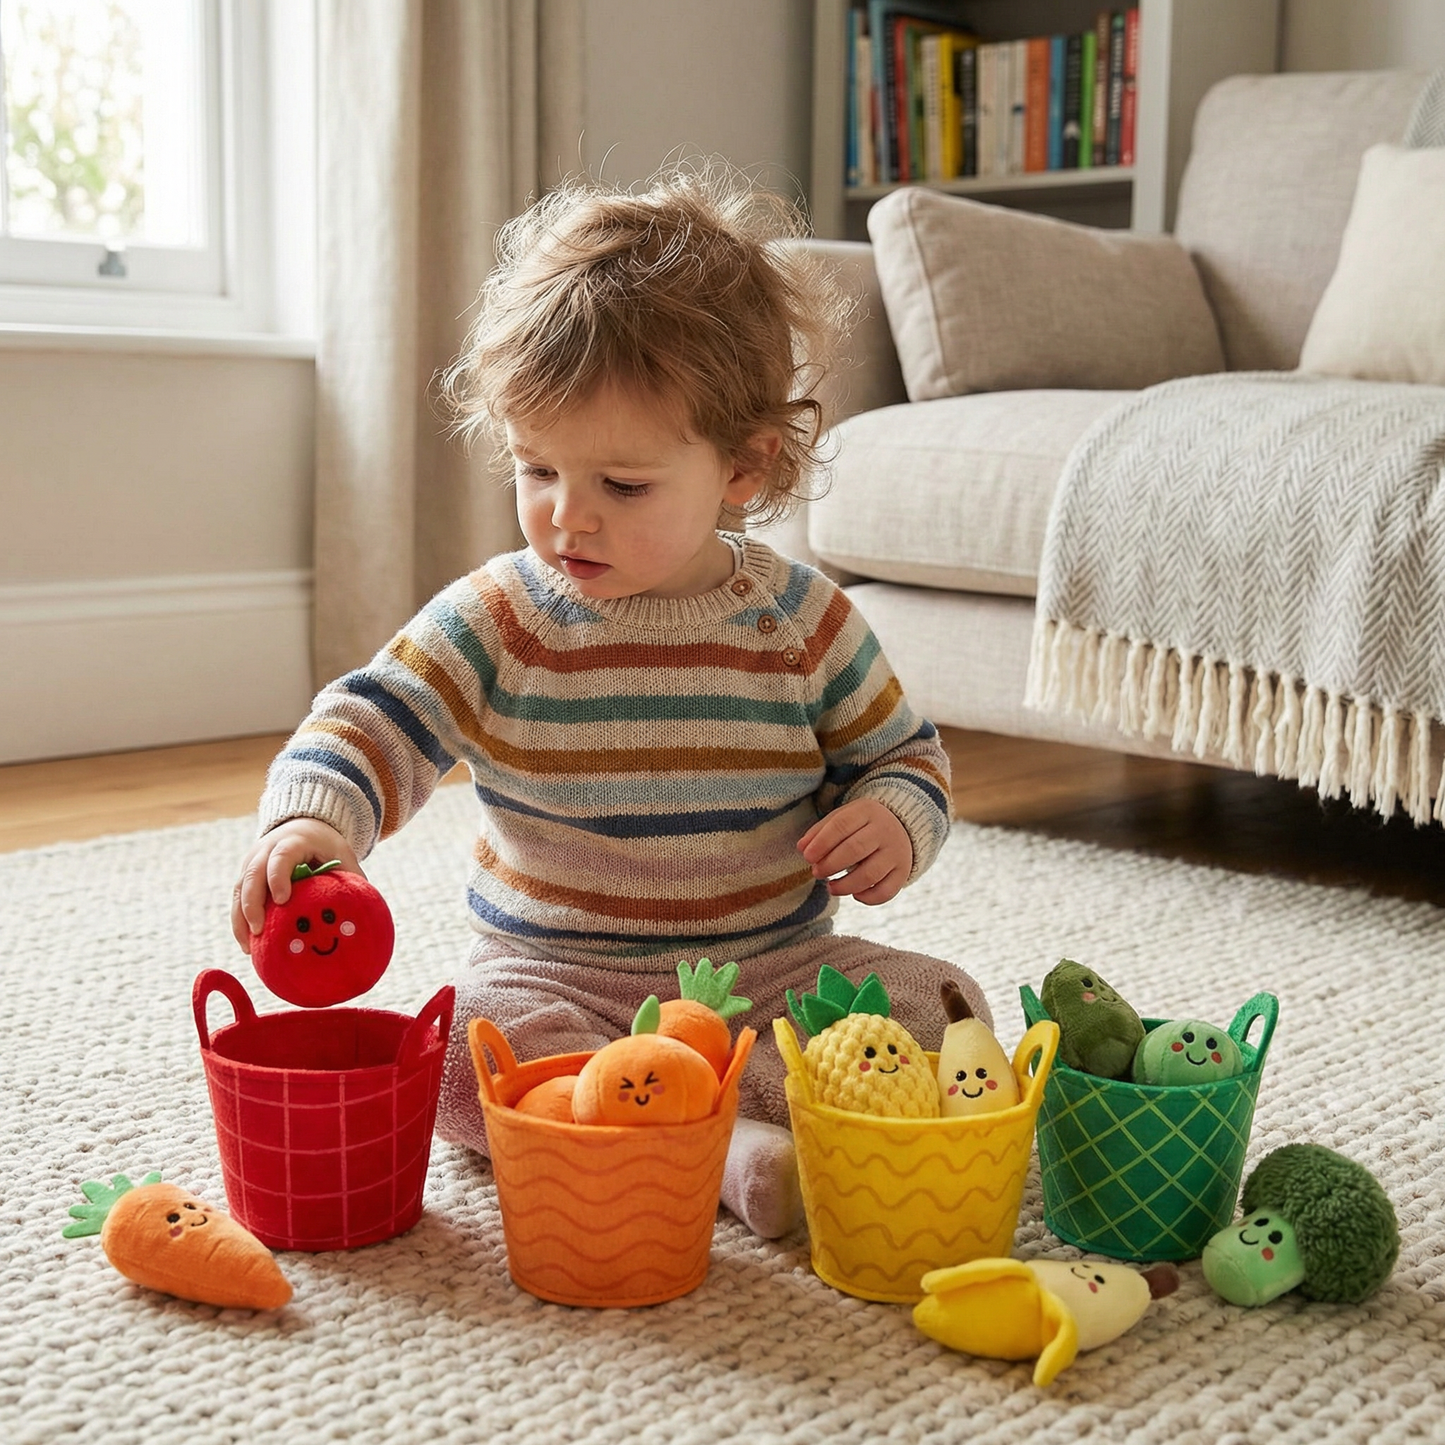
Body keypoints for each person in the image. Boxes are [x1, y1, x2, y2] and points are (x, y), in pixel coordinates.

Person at [231, 163, 993, 1239]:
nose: (564, 518)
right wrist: (315, 818)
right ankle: (722, 1141)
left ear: (741, 465)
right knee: (453, 1048)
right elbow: (371, 719)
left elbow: (905, 756)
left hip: (770, 972)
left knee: (944, 1005)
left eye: (619, 485)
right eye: (536, 469)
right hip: (557, 976)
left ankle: (684, 1110)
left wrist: (894, 820)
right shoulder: (500, 616)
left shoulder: (801, 622)